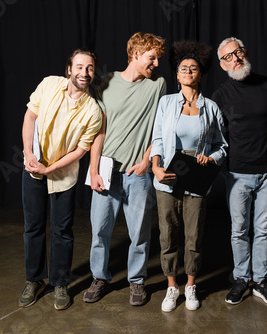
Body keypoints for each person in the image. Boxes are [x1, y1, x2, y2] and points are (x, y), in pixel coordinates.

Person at [83, 32, 166, 306]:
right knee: (100, 230)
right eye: (151, 57)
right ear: (135, 54)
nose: (156, 63)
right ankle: (100, 277)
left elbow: (159, 129)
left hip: (138, 172)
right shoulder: (106, 83)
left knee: (140, 231)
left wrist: (146, 161)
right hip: (107, 170)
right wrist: (93, 170)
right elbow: (99, 131)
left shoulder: (158, 86)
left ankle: (137, 281)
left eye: (158, 58)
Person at [19, 49, 102, 310]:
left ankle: (60, 283)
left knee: (62, 231)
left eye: (89, 68)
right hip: (33, 168)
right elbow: (30, 116)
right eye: (79, 67)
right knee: (33, 227)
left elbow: (81, 150)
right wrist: (28, 152)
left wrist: (51, 168)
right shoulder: (48, 84)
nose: (84, 73)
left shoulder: (93, 110)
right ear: (69, 69)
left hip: (63, 176)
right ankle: (34, 280)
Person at [150, 41, 228, 312]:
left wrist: (212, 157)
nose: (187, 72)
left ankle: (191, 285)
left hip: (197, 176)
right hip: (169, 173)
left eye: (193, 68)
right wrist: (156, 167)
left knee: (194, 234)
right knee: (168, 232)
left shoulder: (212, 107)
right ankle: (172, 287)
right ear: (177, 74)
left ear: (200, 74)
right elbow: (158, 138)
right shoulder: (166, 103)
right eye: (183, 68)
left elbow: (222, 145)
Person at [212, 37, 267, 306]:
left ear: (246, 52)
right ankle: (242, 278)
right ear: (222, 64)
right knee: (239, 230)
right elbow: (216, 136)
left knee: (263, 229)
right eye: (228, 57)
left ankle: (261, 280)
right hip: (237, 173)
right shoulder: (221, 95)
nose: (235, 58)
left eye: (238, 52)